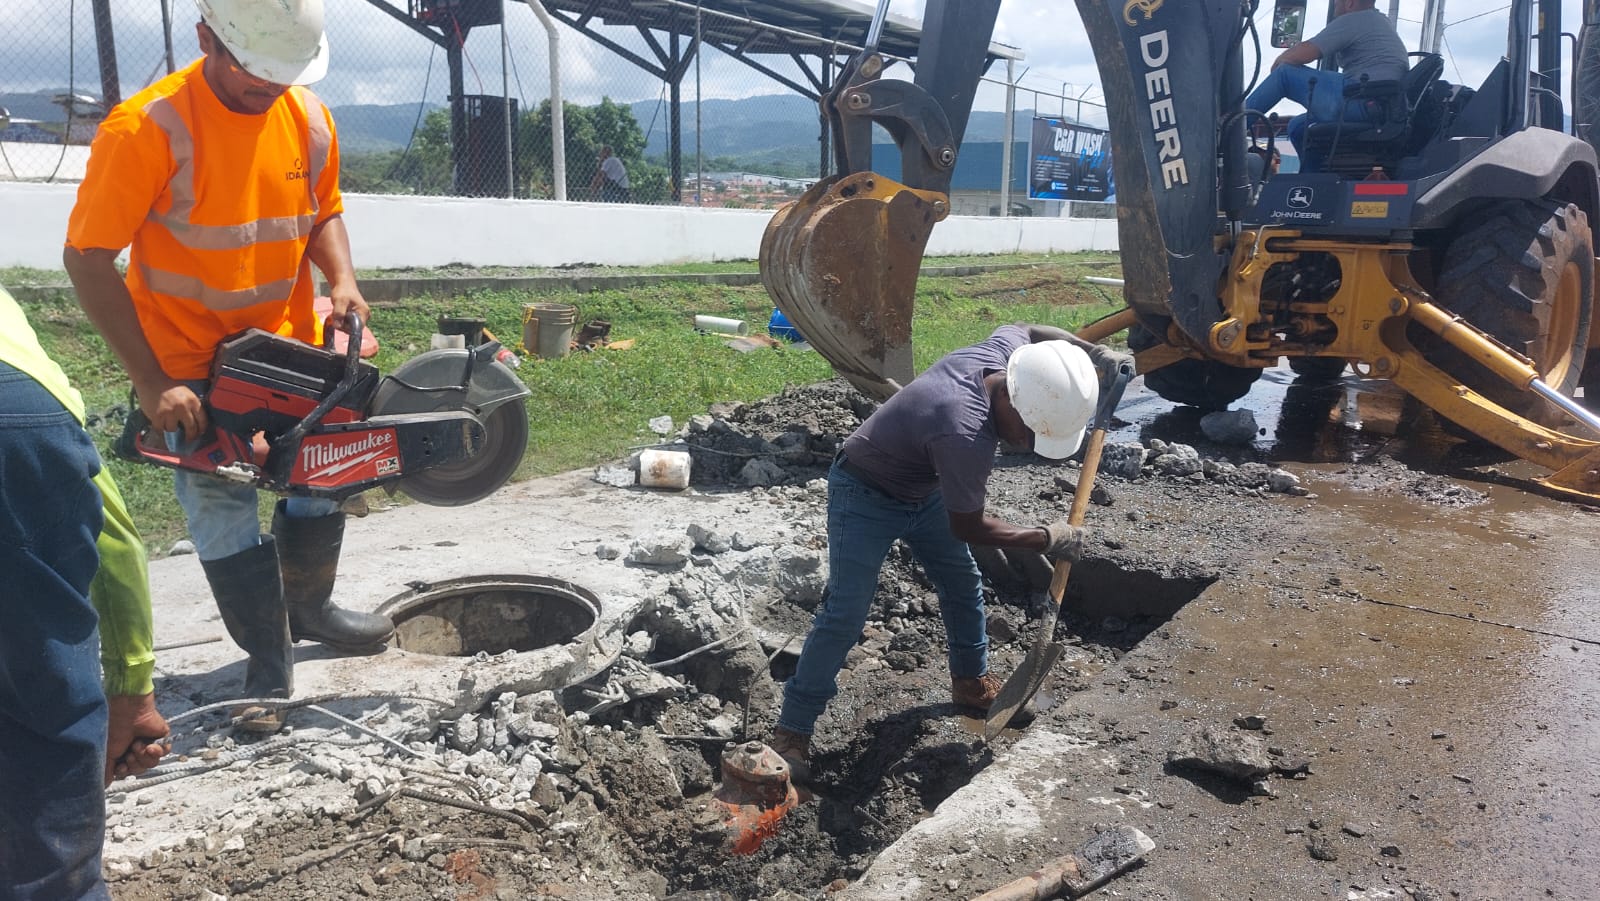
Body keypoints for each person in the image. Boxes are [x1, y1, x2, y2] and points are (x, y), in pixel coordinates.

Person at [62, 0, 393, 734]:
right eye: (253, 77)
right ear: (206, 37)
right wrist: (152, 382)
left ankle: (311, 606)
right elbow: (86, 256)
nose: (269, 91)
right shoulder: (148, 129)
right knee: (221, 509)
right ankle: (267, 657)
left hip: (292, 351)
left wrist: (341, 279)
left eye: (283, 77)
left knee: (317, 478)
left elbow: (322, 209)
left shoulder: (305, 116)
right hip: (192, 369)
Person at [768, 324, 1131, 780]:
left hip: (923, 488)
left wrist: (1092, 351)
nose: (1026, 443)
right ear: (1009, 401)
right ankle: (792, 731)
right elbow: (969, 526)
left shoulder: (1007, 358)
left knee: (961, 581)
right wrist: (1045, 537)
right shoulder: (964, 429)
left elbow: (1028, 329)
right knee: (845, 611)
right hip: (864, 491)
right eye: (1028, 430)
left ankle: (971, 683)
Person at [1, 284, 170, 899]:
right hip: (18, 420)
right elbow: (114, 534)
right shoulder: (13, 335)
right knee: (47, 707)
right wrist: (131, 689)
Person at [1245, 0, 1408, 168]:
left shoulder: (1355, 19)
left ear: (1350, 3)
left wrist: (1280, 63)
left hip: (1361, 101)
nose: (1335, 3)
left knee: (1284, 74)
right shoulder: (1379, 22)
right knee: (1299, 127)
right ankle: (1309, 183)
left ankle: (1227, 130)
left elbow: (1304, 53)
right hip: (1378, 107)